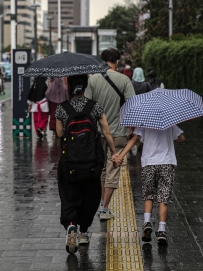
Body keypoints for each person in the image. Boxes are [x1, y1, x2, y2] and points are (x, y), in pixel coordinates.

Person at [55, 74, 118, 253]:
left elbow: (60, 134)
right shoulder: (95, 106)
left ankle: (71, 225)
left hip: (70, 164)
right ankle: (83, 232)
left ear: (70, 86)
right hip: (92, 163)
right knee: (90, 197)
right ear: (85, 86)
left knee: (69, 196)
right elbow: (106, 133)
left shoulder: (62, 108)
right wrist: (114, 153)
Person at [112, 126, 185, 246]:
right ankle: (162, 231)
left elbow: (134, 140)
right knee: (164, 198)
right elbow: (182, 138)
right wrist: (171, 139)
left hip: (149, 164)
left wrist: (120, 156)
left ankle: (147, 223)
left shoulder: (145, 123)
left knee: (148, 195)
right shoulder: (170, 123)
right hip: (166, 163)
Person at [84, 48, 135, 220]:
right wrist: (132, 127)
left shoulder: (93, 79)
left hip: (98, 133)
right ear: (117, 61)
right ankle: (105, 209)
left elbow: (87, 105)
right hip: (118, 132)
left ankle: (101, 203)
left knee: (102, 170)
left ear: (102, 60)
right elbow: (132, 104)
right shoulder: (124, 79)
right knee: (114, 167)